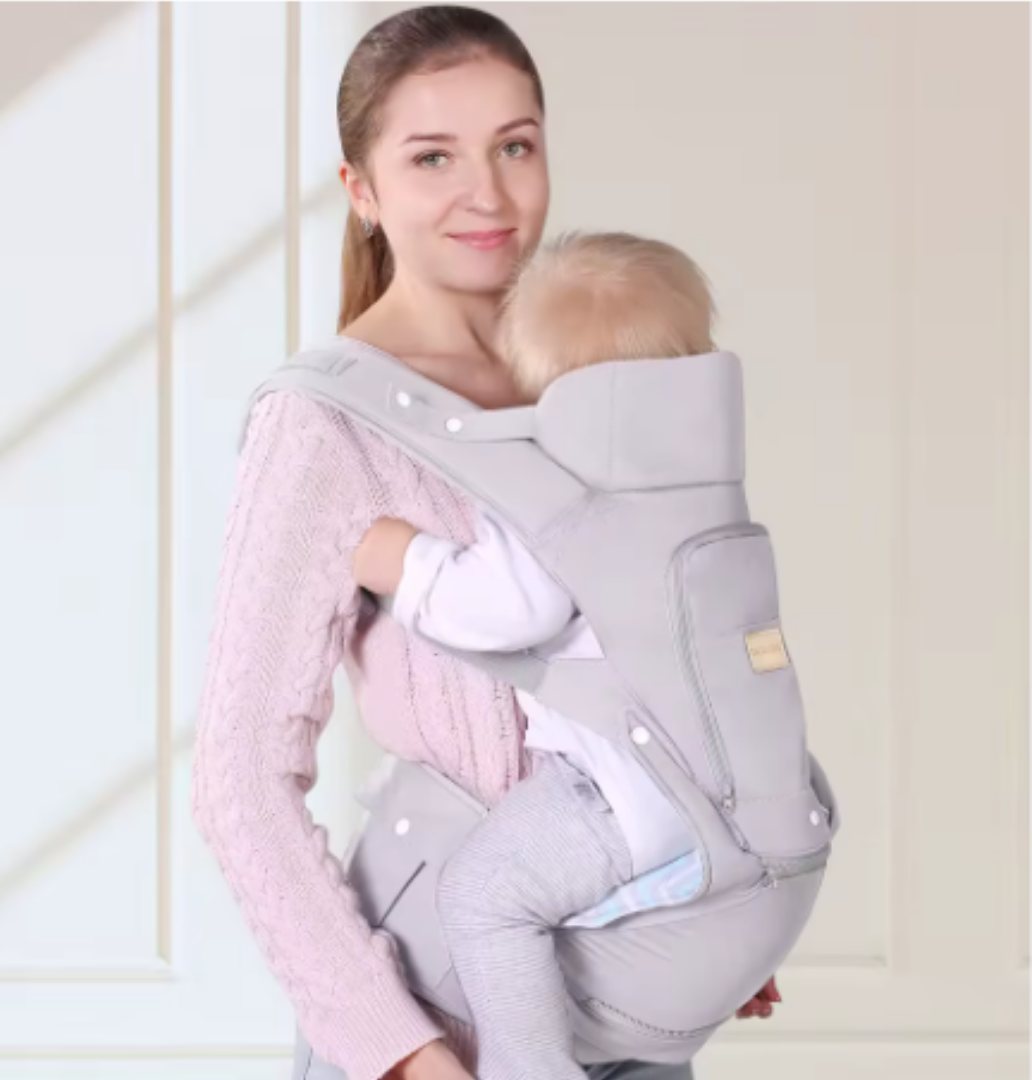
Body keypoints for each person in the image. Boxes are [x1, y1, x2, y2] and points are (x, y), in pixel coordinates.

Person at [192, 9, 782, 1080]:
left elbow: (687, 635)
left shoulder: (600, 370)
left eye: (515, 146)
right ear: (362, 191)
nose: (490, 195)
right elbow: (238, 783)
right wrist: (401, 1052)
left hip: (629, 976)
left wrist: (707, 870)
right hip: (443, 1007)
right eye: (433, 158)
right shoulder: (322, 426)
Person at [351, 233, 726, 1080]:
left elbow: (509, 606)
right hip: (716, 793)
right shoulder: (708, 494)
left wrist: (400, 560)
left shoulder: (562, 488)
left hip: (615, 791)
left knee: (484, 897)